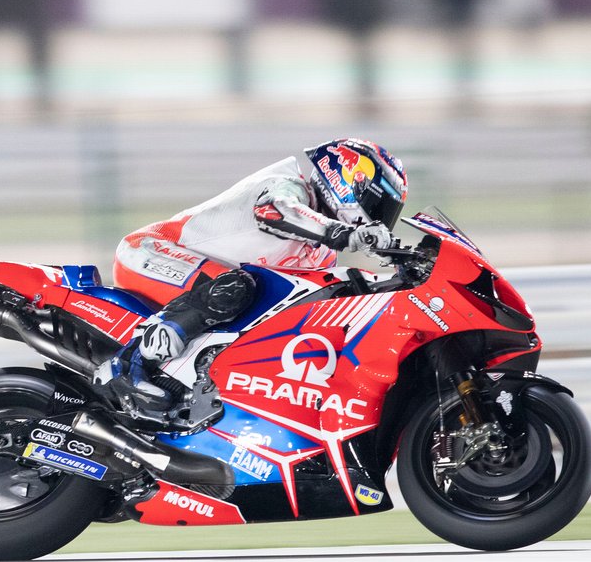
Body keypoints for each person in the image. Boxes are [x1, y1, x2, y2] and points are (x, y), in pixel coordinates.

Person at [97, 138, 409, 419]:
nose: (380, 218)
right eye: (378, 205)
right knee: (236, 287)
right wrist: (345, 233)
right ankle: (128, 363)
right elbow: (274, 212)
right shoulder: (289, 186)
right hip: (152, 250)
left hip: (198, 280)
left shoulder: (321, 253)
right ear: (349, 181)